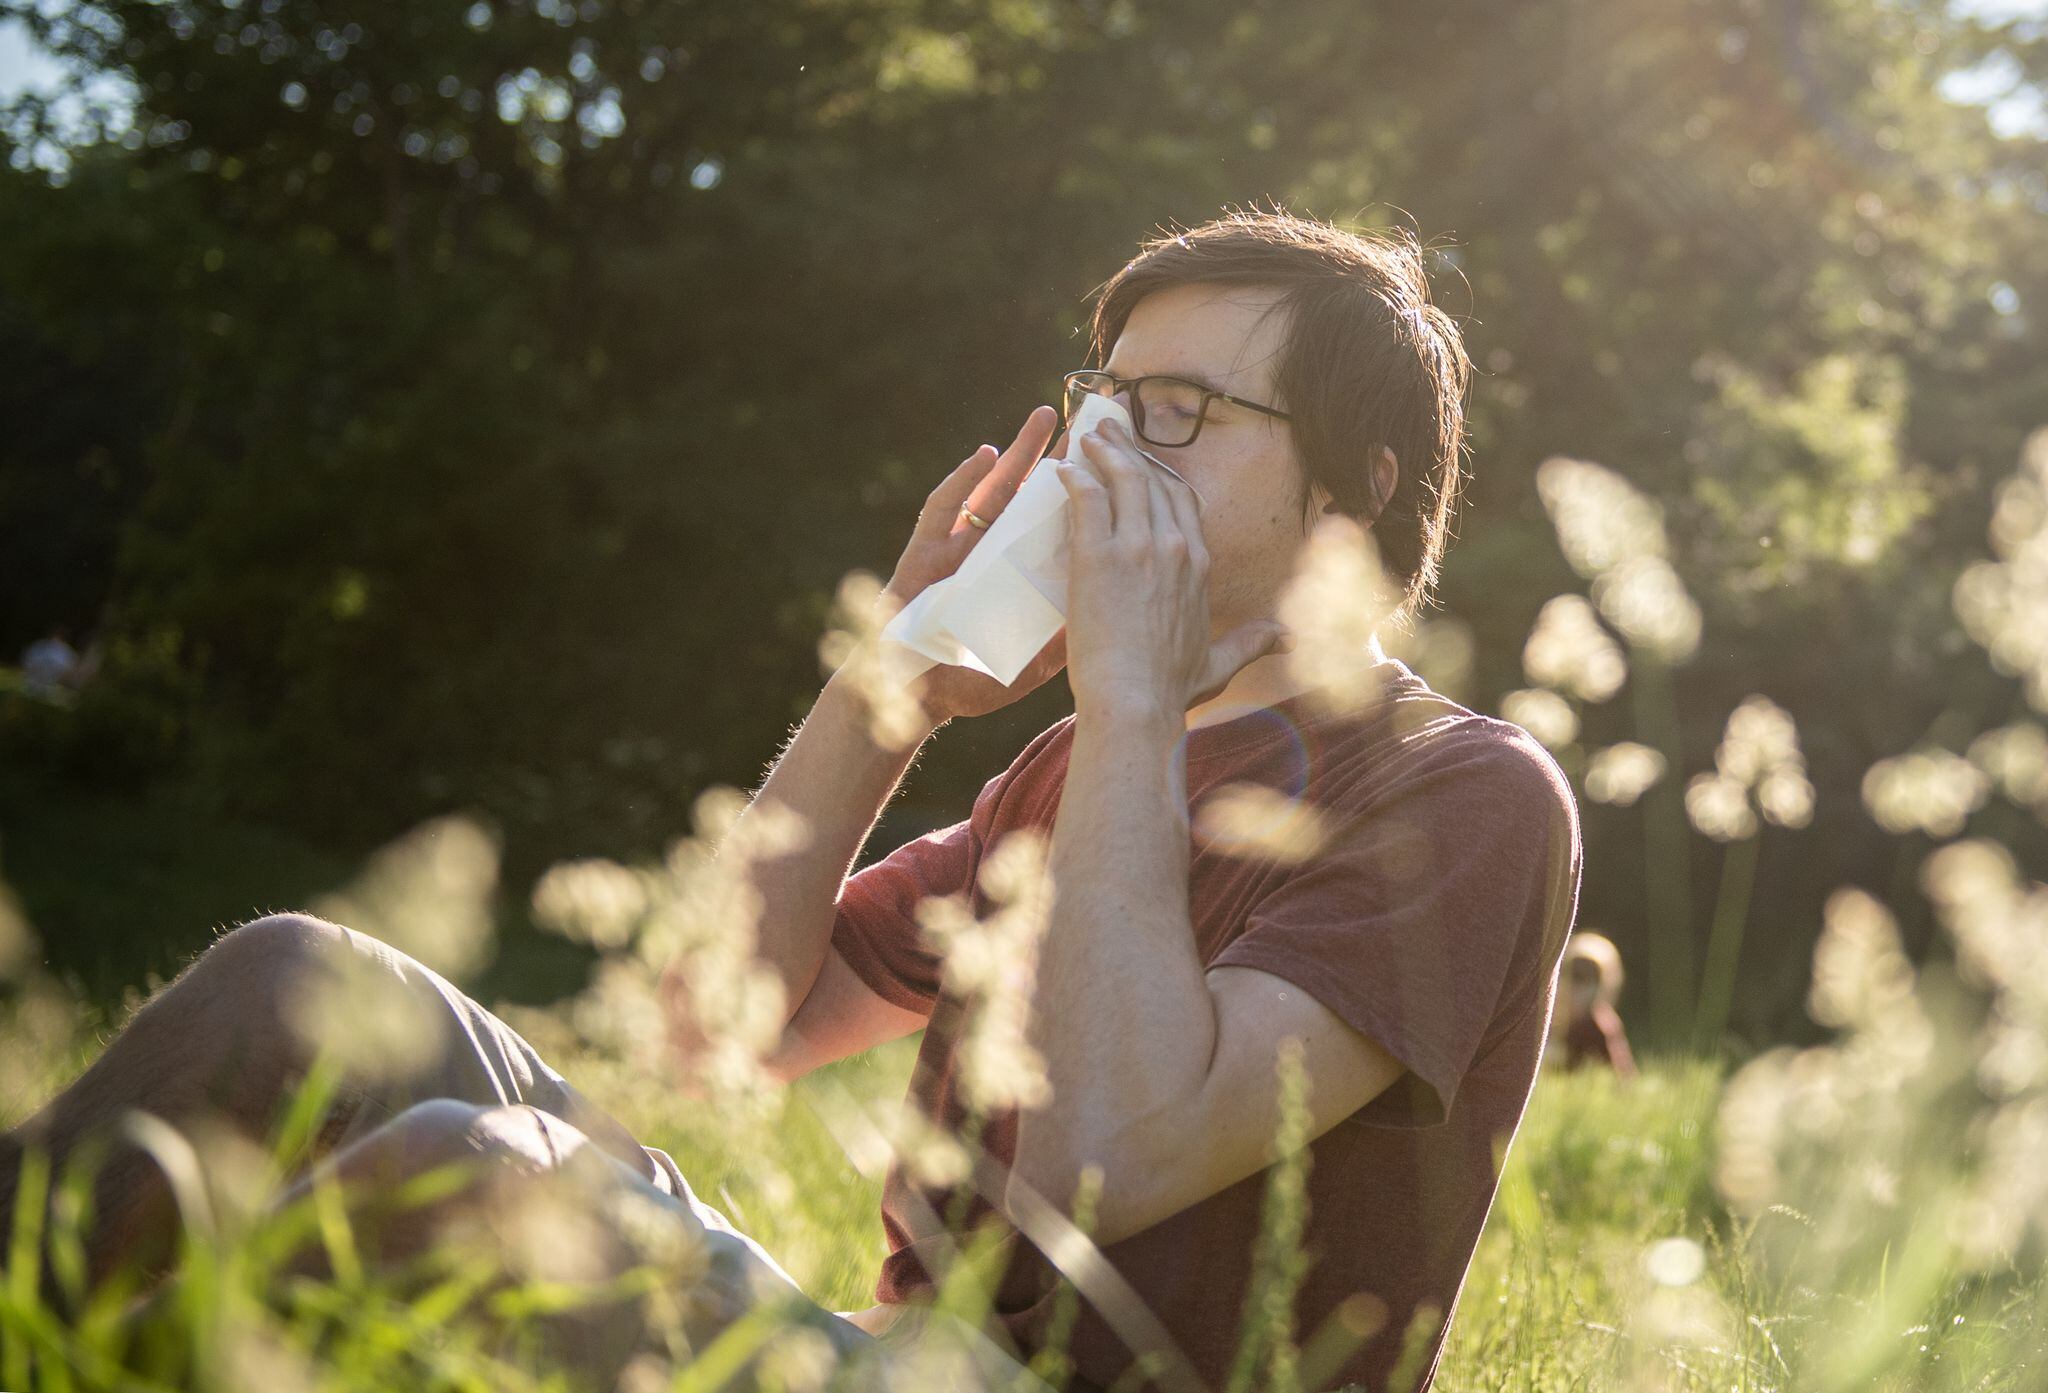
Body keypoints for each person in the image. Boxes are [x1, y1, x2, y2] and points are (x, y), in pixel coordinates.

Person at [0, 206, 1582, 1392]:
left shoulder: (1461, 792)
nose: (1113, 450)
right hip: (879, 1363)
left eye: (1180, 412)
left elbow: (1120, 1148)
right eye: (1106, 399)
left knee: (477, 1170)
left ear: (1362, 476)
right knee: (294, 978)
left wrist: (1134, 698)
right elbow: (715, 1025)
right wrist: (889, 680)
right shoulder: (1070, 771)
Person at [1548, 931, 1637, 1078]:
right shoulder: (1551, 1021)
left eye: (1588, 980)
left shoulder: (1600, 1026)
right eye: (1574, 977)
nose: (1579, 990)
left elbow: (1623, 1076)